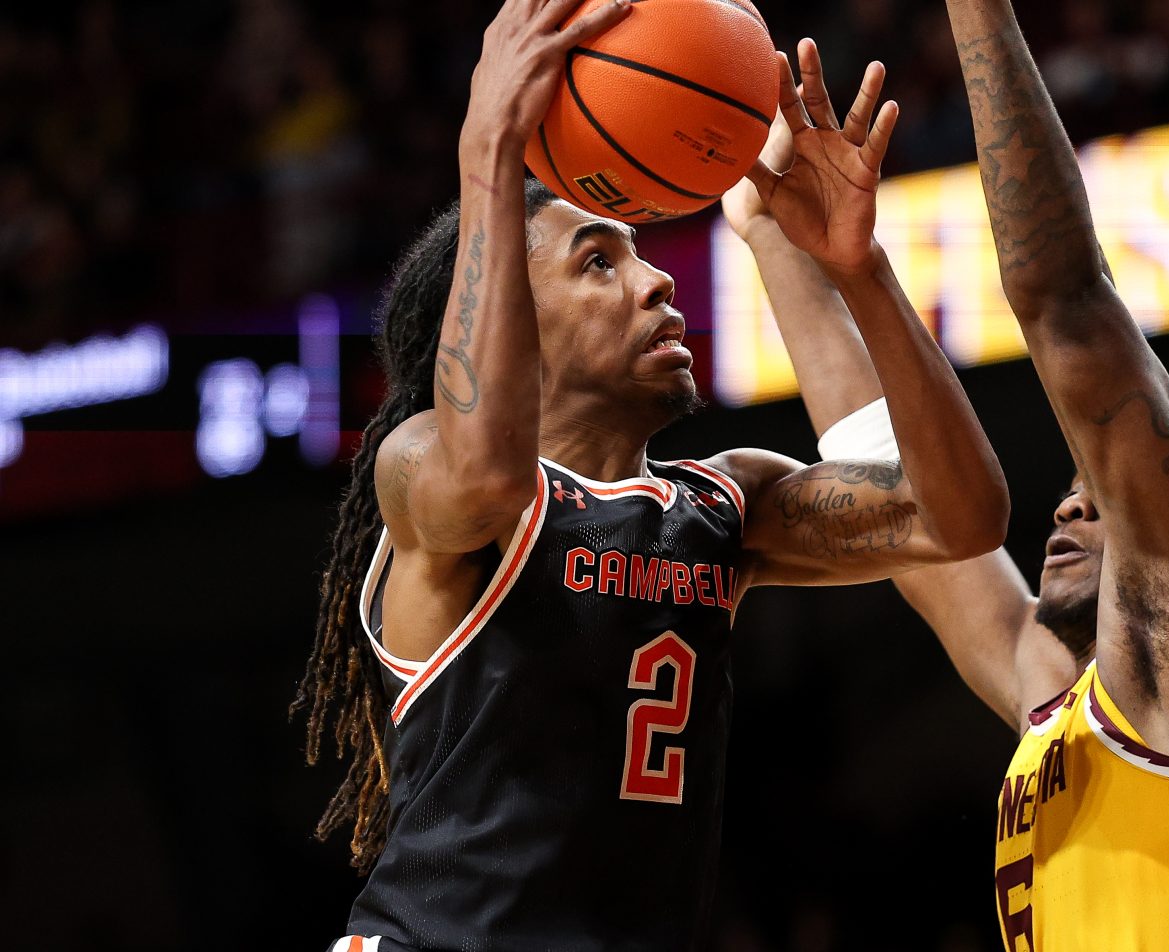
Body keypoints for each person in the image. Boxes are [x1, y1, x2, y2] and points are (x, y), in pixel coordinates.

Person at [290, 2, 1011, 949]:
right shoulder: (422, 466)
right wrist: (492, 148)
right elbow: (488, 475)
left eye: (640, 252)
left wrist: (857, 267)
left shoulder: (724, 505)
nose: (657, 282)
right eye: (598, 262)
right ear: (515, 315)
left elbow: (962, 518)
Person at [722, 25, 1169, 952]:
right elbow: (893, 492)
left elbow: (1066, 303)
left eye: (1101, 501)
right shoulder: (1061, 703)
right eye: (1074, 493)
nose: (1068, 506)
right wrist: (782, 243)